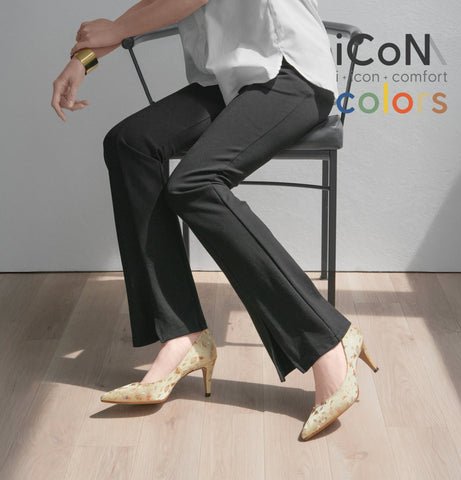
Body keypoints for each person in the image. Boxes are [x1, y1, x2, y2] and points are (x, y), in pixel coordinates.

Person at [51, 0, 379, 441]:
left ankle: (326, 338)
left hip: (291, 76)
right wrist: (84, 60)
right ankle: (181, 335)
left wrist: (116, 29)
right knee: (130, 143)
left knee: (194, 184)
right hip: (229, 85)